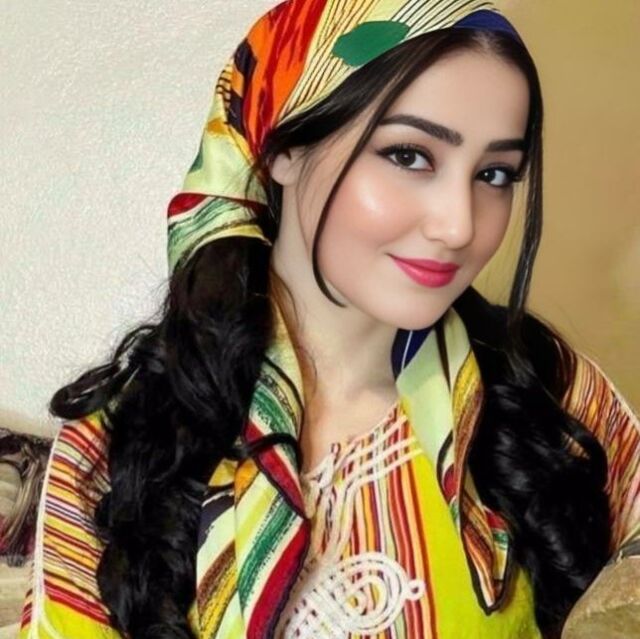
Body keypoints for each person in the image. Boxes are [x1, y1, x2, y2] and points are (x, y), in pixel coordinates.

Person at [17, 1, 640, 638]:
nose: (459, 224)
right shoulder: (124, 438)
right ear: (284, 147)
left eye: (495, 173)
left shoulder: (547, 393)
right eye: (409, 156)